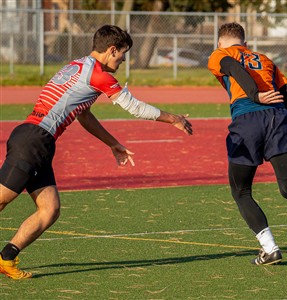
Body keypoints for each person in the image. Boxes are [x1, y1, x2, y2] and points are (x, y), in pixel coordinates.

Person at [0, 25, 193, 279]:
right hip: (33, 141)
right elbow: (134, 107)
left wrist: (112, 143)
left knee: (50, 209)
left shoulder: (79, 65)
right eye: (123, 54)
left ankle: (6, 259)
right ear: (112, 50)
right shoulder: (99, 75)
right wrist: (174, 119)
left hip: (38, 141)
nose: (124, 60)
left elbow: (84, 115)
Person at [207, 22, 287, 265]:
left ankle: (270, 248)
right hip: (280, 118)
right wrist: (274, 112)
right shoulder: (264, 59)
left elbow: (232, 67)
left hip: (248, 121)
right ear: (246, 43)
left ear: (220, 43)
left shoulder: (220, 54)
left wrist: (255, 97)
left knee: (241, 191)